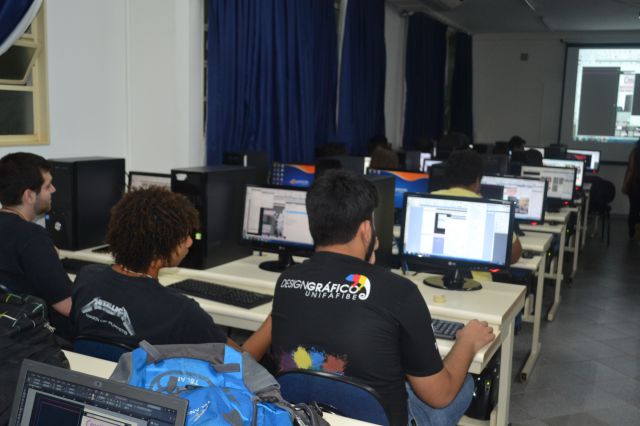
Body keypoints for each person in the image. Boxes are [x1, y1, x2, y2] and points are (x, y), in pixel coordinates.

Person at [255, 170, 495, 425]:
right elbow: (439, 395)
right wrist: (466, 342)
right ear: (366, 229)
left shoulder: (287, 281)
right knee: (465, 382)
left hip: (307, 417)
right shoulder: (399, 291)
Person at [70, 187, 266, 358]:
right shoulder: (181, 311)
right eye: (183, 237)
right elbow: (243, 362)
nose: (190, 242)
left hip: (93, 381)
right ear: (160, 248)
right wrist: (275, 318)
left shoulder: (87, 278)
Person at [0, 152, 73, 339]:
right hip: (37, 337)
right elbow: (67, 307)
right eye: (48, 186)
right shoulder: (32, 237)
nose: (54, 190)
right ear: (29, 195)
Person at [432, 150, 522, 277]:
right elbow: (514, 254)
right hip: (475, 284)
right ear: (477, 180)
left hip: (429, 281)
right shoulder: (490, 208)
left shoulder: (428, 199)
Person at [623, 139, 640, 238]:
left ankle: (632, 232)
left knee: (634, 209)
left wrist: (625, 184)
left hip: (635, 185)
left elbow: (630, 170)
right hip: (635, 185)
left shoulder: (635, 152)